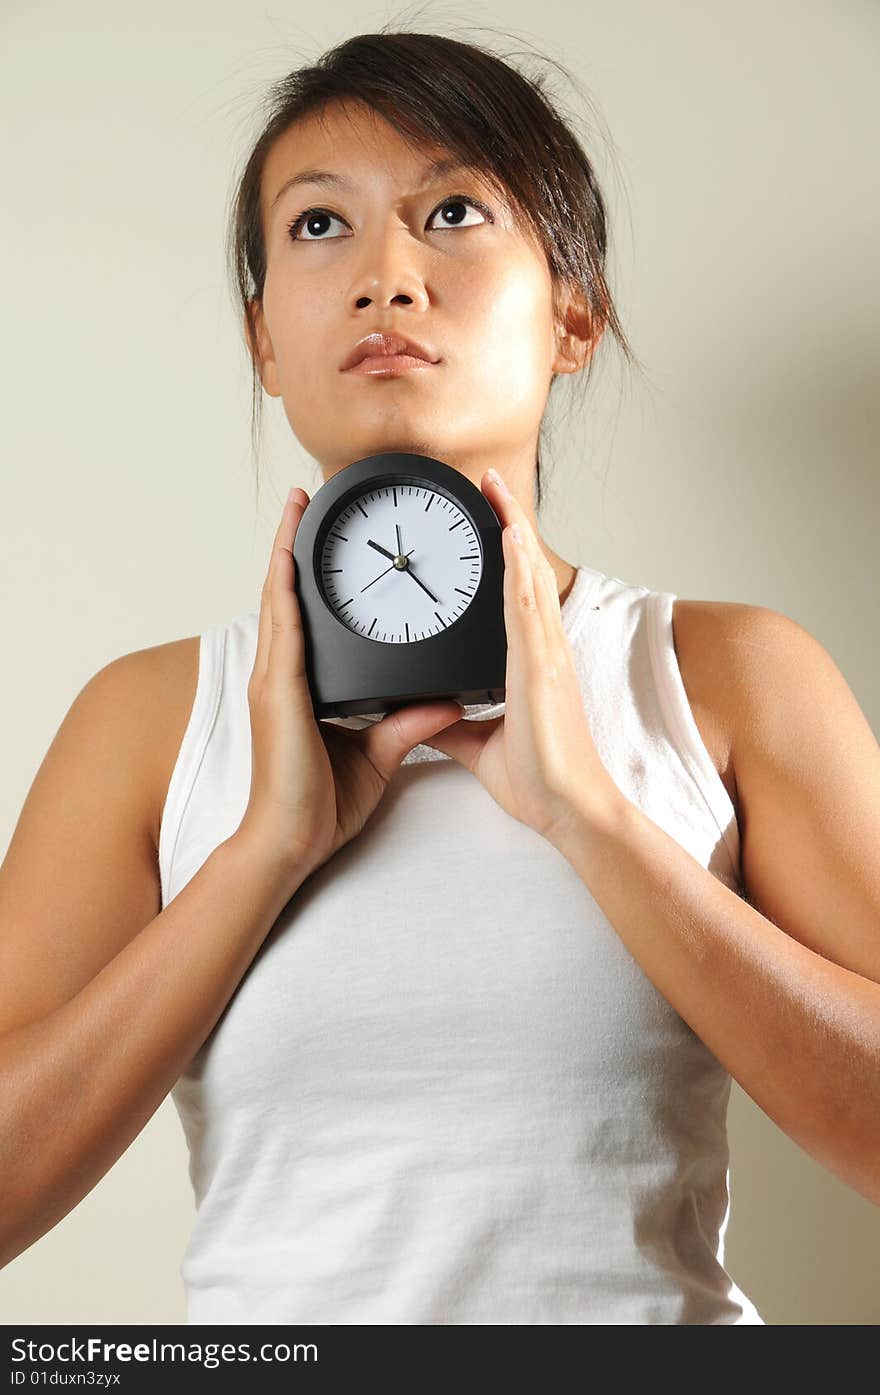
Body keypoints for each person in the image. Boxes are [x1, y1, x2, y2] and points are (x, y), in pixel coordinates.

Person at [2, 28, 879, 1326]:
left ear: (572, 312)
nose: (385, 279)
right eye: (317, 227)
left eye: (453, 212)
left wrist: (593, 817)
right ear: (263, 341)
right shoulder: (148, 723)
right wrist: (265, 853)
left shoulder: (730, 679)